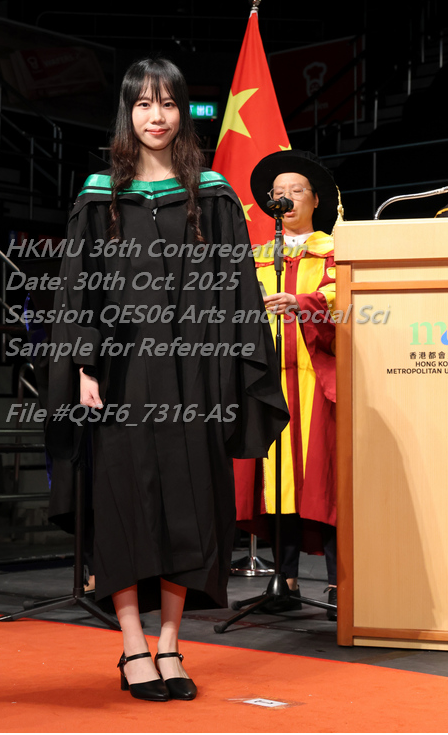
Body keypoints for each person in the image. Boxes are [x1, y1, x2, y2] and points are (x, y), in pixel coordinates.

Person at [44, 58, 289, 701]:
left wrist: (235, 366)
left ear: (183, 112)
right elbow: (79, 285)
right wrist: (84, 365)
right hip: (122, 374)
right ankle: (133, 646)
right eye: (143, 104)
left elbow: (237, 286)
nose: (156, 117)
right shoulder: (101, 194)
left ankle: (172, 644)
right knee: (124, 501)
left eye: (168, 103)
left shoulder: (212, 193)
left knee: (192, 503)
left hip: (196, 375)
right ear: (127, 112)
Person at [248, 149, 340, 620]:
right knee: (278, 478)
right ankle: (283, 579)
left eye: (296, 190)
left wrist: (303, 302)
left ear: (315, 199)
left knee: (324, 480)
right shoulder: (259, 258)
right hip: (270, 380)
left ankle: (340, 584)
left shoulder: (335, 250)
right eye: (278, 192)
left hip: (317, 380)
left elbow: (342, 299)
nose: (285, 197)